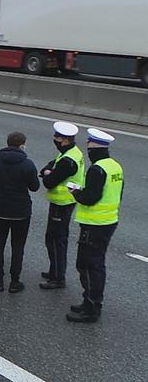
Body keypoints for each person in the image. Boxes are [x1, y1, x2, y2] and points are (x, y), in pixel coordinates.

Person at [67, 128, 123, 323]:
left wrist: (75, 193)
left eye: (89, 147)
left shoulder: (97, 169)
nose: (88, 151)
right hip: (108, 221)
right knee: (95, 264)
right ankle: (89, 302)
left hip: (94, 224)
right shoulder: (114, 166)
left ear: (95, 149)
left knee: (88, 265)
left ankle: (91, 307)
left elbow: (90, 198)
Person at [0, 132, 40, 293]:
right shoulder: (28, 164)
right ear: (22, 145)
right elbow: (35, 187)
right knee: (18, 246)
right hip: (21, 211)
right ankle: (15, 281)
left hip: (0, 209)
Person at [39, 121, 85, 290]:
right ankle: (54, 271)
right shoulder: (71, 152)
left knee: (55, 240)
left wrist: (47, 174)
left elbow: (49, 182)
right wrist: (47, 170)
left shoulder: (68, 161)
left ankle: (58, 277)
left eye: (57, 138)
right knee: (54, 238)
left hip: (62, 203)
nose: (55, 140)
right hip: (63, 202)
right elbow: (51, 165)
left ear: (65, 140)